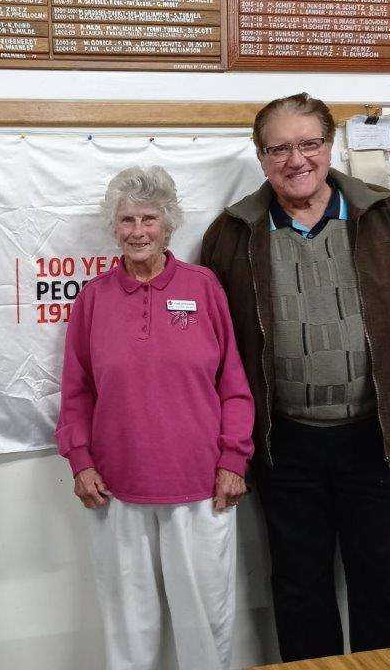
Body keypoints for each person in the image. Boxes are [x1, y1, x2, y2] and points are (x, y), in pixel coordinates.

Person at [201, 93, 390, 662]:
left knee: (387, 591)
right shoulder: (231, 235)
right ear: (260, 155)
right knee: (299, 593)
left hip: (379, 441)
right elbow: (217, 356)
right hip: (285, 446)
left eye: (309, 143)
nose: (296, 160)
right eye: (279, 148)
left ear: (331, 145)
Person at [56, 166, 254, 670]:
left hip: (202, 484)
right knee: (129, 627)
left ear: (169, 226)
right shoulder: (94, 298)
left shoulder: (204, 287)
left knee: (205, 625)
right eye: (127, 220)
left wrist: (234, 458)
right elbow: (77, 390)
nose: (138, 231)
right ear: (113, 227)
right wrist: (80, 461)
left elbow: (233, 383)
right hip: (117, 488)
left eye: (149, 219)